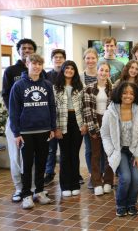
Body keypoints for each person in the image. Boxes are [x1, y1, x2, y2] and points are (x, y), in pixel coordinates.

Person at [9, 53, 56, 209]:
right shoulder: (18, 86)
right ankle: (26, 194)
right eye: (33, 63)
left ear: (42, 66)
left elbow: (51, 107)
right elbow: (14, 111)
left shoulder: (47, 85)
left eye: (39, 64)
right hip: (26, 132)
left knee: (42, 162)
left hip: (44, 130)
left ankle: (40, 191)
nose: (36, 66)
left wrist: (52, 128)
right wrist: (16, 133)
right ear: (27, 64)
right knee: (27, 164)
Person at [101, 82, 138, 216]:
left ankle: (131, 203)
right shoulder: (110, 112)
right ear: (119, 93)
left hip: (134, 150)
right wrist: (110, 151)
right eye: (125, 92)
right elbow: (104, 134)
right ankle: (121, 204)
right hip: (119, 150)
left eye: (131, 93)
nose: (128, 96)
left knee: (137, 178)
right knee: (126, 178)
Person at [2, 38, 37, 203]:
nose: (27, 50)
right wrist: (14, 116)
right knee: (16, 157)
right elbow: (5, 94)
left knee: (32, 156)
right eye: (24, 48)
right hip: (16, 122)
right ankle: (19, 188)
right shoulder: (11, 71)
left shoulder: (38, 71)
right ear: (19, 51)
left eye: (30, 48)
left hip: (33, 123)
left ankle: (31, 188)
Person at [53, 61, 86, 197]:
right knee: (65, 155)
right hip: (62, 122)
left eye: (72, 68)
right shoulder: (56, 87)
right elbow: (53, 109)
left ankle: (74, 184)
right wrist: (56, 128)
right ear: (63, 70)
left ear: (75, 71)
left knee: (74, 154)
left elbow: (84, 107)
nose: (69, 70)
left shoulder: (80, 86)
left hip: (77, 122)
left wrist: (84, 124)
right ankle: (65, 185)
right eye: (67, 68)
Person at [83, 62, 114, 196]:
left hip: (109, 122)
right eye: (101, 70)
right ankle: (96, 182)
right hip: (95, 121)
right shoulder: (89, 88)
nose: (104, 73)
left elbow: (115, 109)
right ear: (97, 71)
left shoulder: (113, 89)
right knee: (95, 154)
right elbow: (87, 110)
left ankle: (108, 181)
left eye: (106, 71)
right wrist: (92, 128)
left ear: (109, 73)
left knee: (109, 154)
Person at [44, 48, 66, 186]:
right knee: (51, 148)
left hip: (65, 117)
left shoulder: (67, 75)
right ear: (52, 60)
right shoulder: (46, 76)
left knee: (66, 149)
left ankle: (68, 173)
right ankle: (49, 172)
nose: (58, 59)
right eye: (56, 57)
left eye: (60, 57)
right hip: (50, 118)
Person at [80, 48, 99, 189]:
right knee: (89, 149)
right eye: (88, 58)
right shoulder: (80, 78)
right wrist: (84, 122)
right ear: (84, 59)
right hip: (86, 119)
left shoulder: (104, 76)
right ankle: (93, 176)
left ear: (97, 59)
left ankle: (101, 174)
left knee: (101, 149)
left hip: (100, 118)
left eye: (93, 58)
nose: (90, 61)